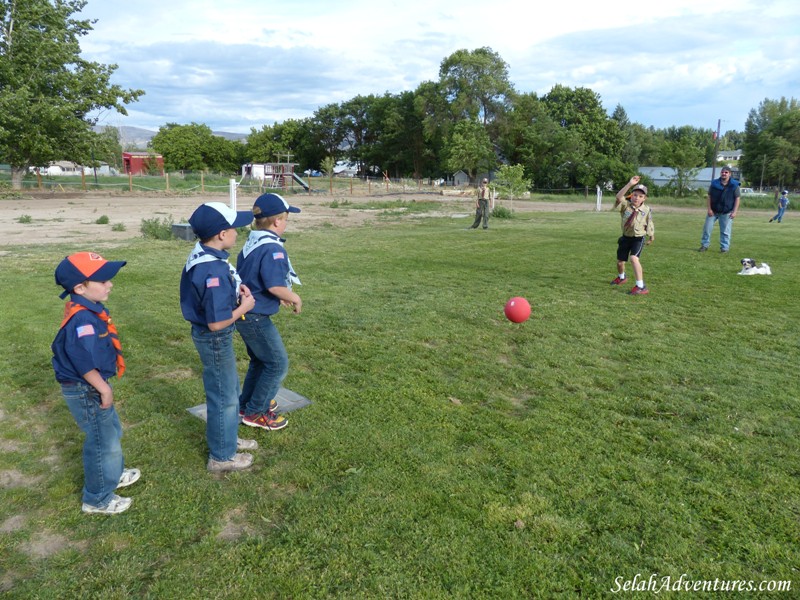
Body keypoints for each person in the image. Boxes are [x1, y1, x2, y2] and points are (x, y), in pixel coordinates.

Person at [52, 252, 140, 514]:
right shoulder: (83, 320)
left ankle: (112, 472)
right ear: (80, 287)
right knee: (102, 441)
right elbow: (83, 362)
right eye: (102, 280)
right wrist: (103, 388)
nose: (109, 284)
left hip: (92, 384)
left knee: (111, 432)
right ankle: (97, 498)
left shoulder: (90, 309)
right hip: (87, 387)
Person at [180, 202, 259, 472]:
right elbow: (216, 323)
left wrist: (235, 288)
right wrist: (244, 308)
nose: (239, 232)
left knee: (229, 391)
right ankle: (222, 456)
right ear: (222, 235)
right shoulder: (212, 271)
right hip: (214, 338)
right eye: (235, 228)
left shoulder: (207, 254)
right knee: (223, 396)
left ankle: (228, 438)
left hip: (213, 335)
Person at [235, 193, 302, 431]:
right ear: (277, 222)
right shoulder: (273, 248)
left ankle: (246, 404)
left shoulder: (251, 243)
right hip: (255, 316)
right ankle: (256, 412)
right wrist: (293, 296)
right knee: (276, 363)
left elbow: (256, 279)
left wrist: (277, 295)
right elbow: (273, 284)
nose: (285, 224)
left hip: (245, 313)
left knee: (260, 362)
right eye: (285, 220)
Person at [611, 176, 654, 295]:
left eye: (640, 196)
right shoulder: (626, 206)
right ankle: (621, 277)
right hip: (625, 237)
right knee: (620, 262)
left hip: (638, 238)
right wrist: (629, 184)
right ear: (631, 195)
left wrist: (651, 235)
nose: (637, 198)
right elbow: (619, 197)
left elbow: (649, 222)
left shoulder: (647, 209)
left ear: (644, 198)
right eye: (635, 195)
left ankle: (641, 286)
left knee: (634, 259)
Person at [698, 165, 740, 253]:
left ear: (729, 174)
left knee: (725, 231)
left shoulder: (734, 185)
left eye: (726, 172)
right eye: (722, 172)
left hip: (726, 212)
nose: (724, 174)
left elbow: (737, 198)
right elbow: (709, 196)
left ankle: (724, 248)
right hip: (713, 211)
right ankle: (704, 245)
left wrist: (735, 211)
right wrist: (709, 209)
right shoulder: (714, 184)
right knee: (707, 229)